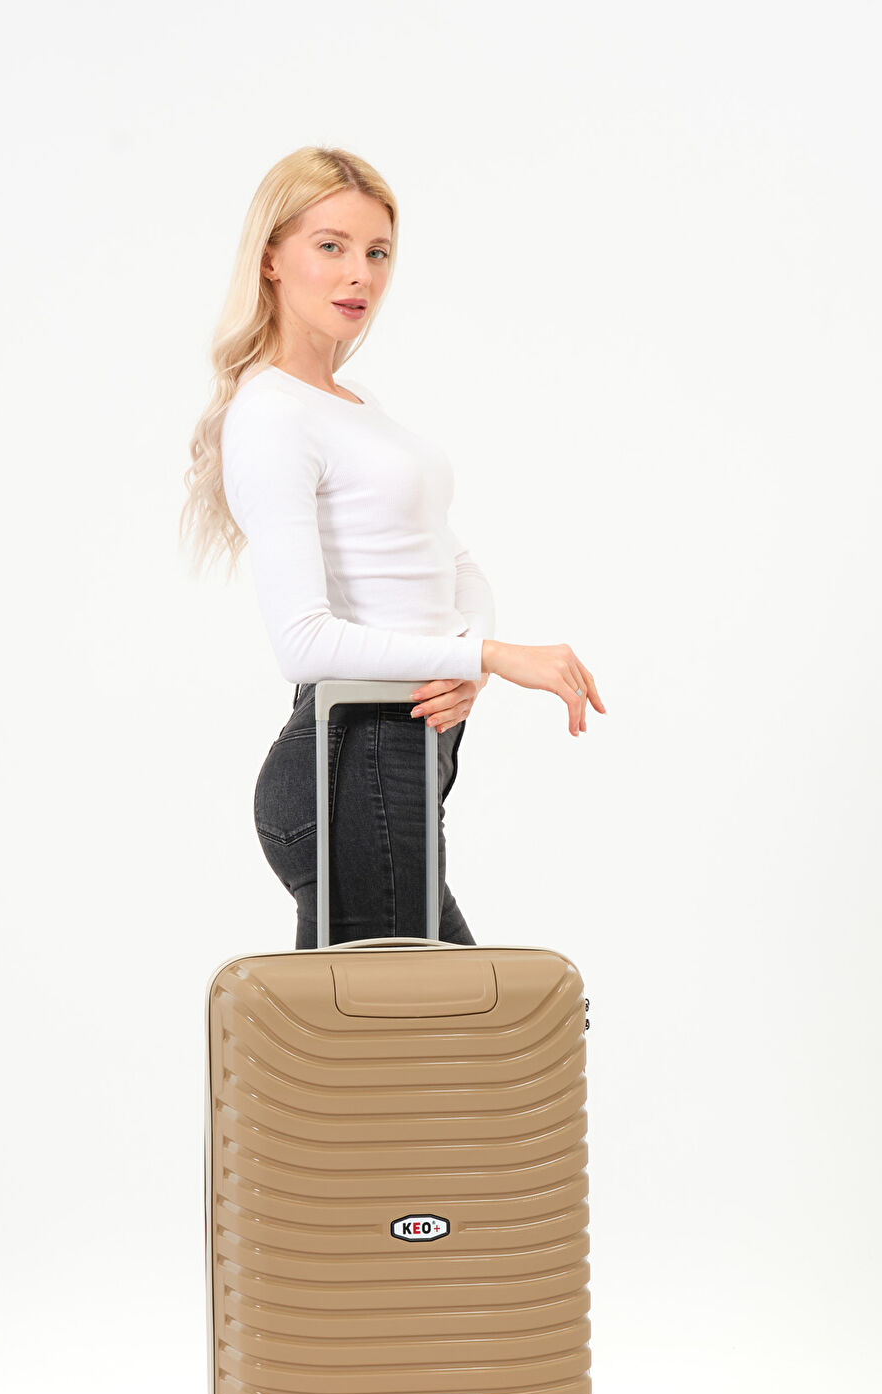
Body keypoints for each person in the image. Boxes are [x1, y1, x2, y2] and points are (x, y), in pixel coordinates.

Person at [180, 145, 607, 963]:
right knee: (439, 1029)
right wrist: (488, 655)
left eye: (377, 252)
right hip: (355, 758)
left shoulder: (355, 405)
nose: (360, 275)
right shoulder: (270, 414)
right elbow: (302, 641)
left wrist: (471, 662)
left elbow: (455, 563)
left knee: (409, 1032)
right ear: (271, 258)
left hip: (397, 756)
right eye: (331, 246)